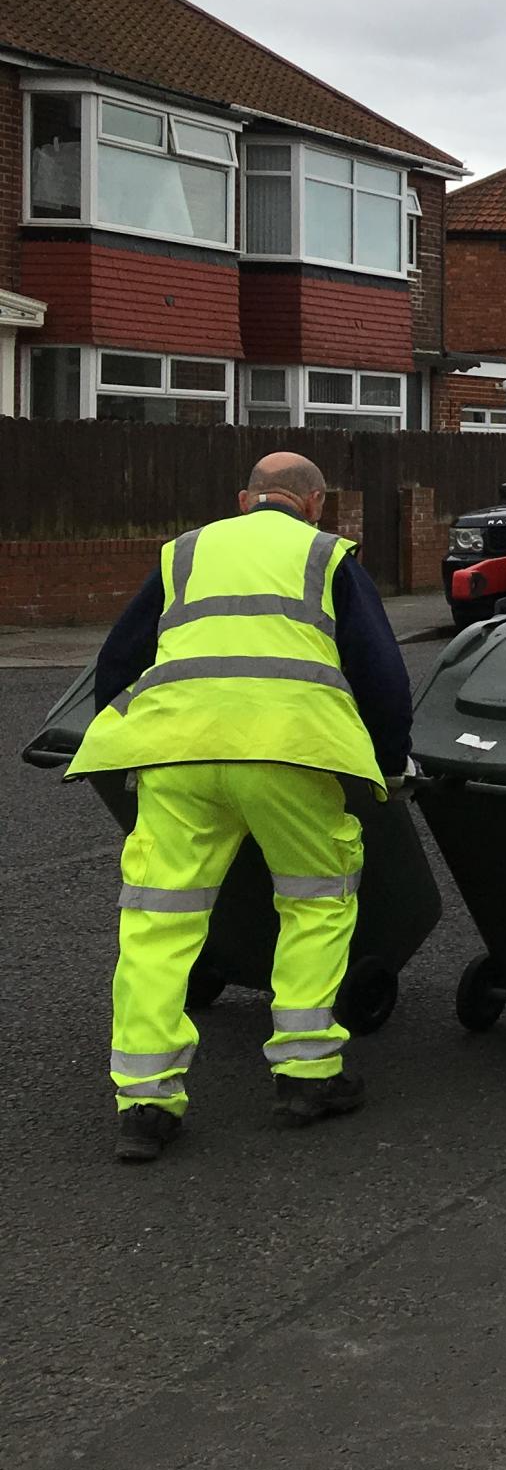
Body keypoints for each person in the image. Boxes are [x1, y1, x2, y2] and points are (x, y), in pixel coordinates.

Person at [66, 453, 414, 1163]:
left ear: (245, 498)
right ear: (317, 505)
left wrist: (131, 732)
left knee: (158, 918)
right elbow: (380, 670)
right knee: (316, 898)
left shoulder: (186, 552)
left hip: (179, 752)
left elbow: (118, 658)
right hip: (289, 753)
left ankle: (145, 1103)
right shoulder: (327, 556)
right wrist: (388, 759)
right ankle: (307, 1074)